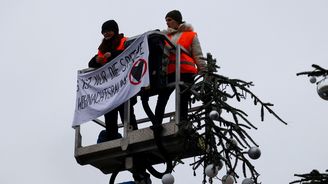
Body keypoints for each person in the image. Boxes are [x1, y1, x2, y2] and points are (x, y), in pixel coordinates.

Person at [154, 10, 207, 126]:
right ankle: (156, 123)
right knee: (162, 96)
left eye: (170, 20)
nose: (167, 23)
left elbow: (198, 55)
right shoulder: (164, 36)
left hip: (186, 72)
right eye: (166, 20)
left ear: (177, 21)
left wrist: (204, 71)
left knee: (183, 98)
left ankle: (182, 122)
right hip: (170, 71)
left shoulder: (190, 35)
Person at [89, 20, 138, 141]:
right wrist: (97, 60)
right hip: (110, 90)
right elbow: (90, 64)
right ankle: (111, 138)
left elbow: (130, 53)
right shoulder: (102, 48)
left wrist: (112, 54)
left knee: (127, 115)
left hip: (125, 86)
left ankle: (134, 137)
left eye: (109, 31)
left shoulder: (124, 41)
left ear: (115, 31)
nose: (106, 34)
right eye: (104, 32)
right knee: (110, 117)